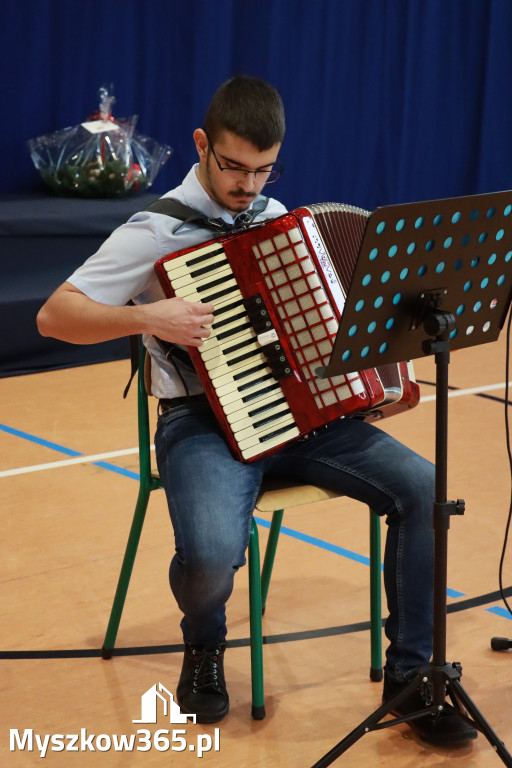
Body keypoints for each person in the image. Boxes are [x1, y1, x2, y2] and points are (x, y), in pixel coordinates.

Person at [37, 75, 477, 745]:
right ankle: (204, 644)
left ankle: (412, 679)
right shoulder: (156, 229)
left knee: (425, 488)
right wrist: (145, 314)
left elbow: (323, 334)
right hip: (201, 423)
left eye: (263, 169)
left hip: (302, 421)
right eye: (233, 166)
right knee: (213, 554)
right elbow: (55, 316)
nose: (247, 185)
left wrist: (370, 380)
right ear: (202, 145)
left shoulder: (280, 223)